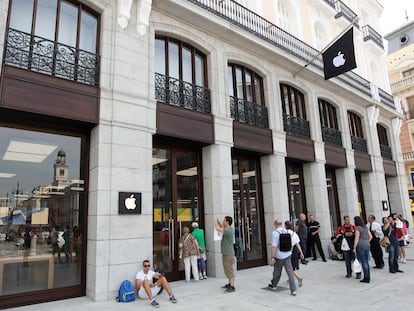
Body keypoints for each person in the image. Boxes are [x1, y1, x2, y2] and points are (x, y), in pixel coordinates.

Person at [268, 219, 297, 296]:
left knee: (277, 271)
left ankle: (274, 284)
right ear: (281, 224)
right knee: (290, 273)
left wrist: (273, 256)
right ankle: (293, 290)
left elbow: (274, 246)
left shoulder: (275, 233)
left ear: (275, 224)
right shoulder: (287, 231)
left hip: (279, 255)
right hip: (287, 254)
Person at [215, 216, 235, 293]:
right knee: (227, 270)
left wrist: (214, 221)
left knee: (229, 270)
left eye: (224, 220)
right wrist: (218, 222)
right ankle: (230, 283)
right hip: (226, 253)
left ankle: (232, 286)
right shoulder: (227, 229)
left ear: (227, 222)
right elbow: (221, 226)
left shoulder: (228, 230)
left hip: (228, 254)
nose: (223, 222)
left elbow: (218, 229)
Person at [285, 221, 304, 287]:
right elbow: (298, 244)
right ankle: (290, 278)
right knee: (292, 266)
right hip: (294, 251)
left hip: (288, 251)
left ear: (286, 226)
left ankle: (298, 278)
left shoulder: (285, 233)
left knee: (289, 267)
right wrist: (301, 253)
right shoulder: (294, 234)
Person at [353, 216, 372, 283]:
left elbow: (357, 238)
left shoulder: (358, 228)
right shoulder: (365, 227)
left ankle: (366, 277)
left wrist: (354, 247)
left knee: (363, 262)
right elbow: (370, 236)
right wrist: (367, 241)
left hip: (361, 245)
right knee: (366, 261)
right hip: (367, 244)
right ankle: (368, 276)